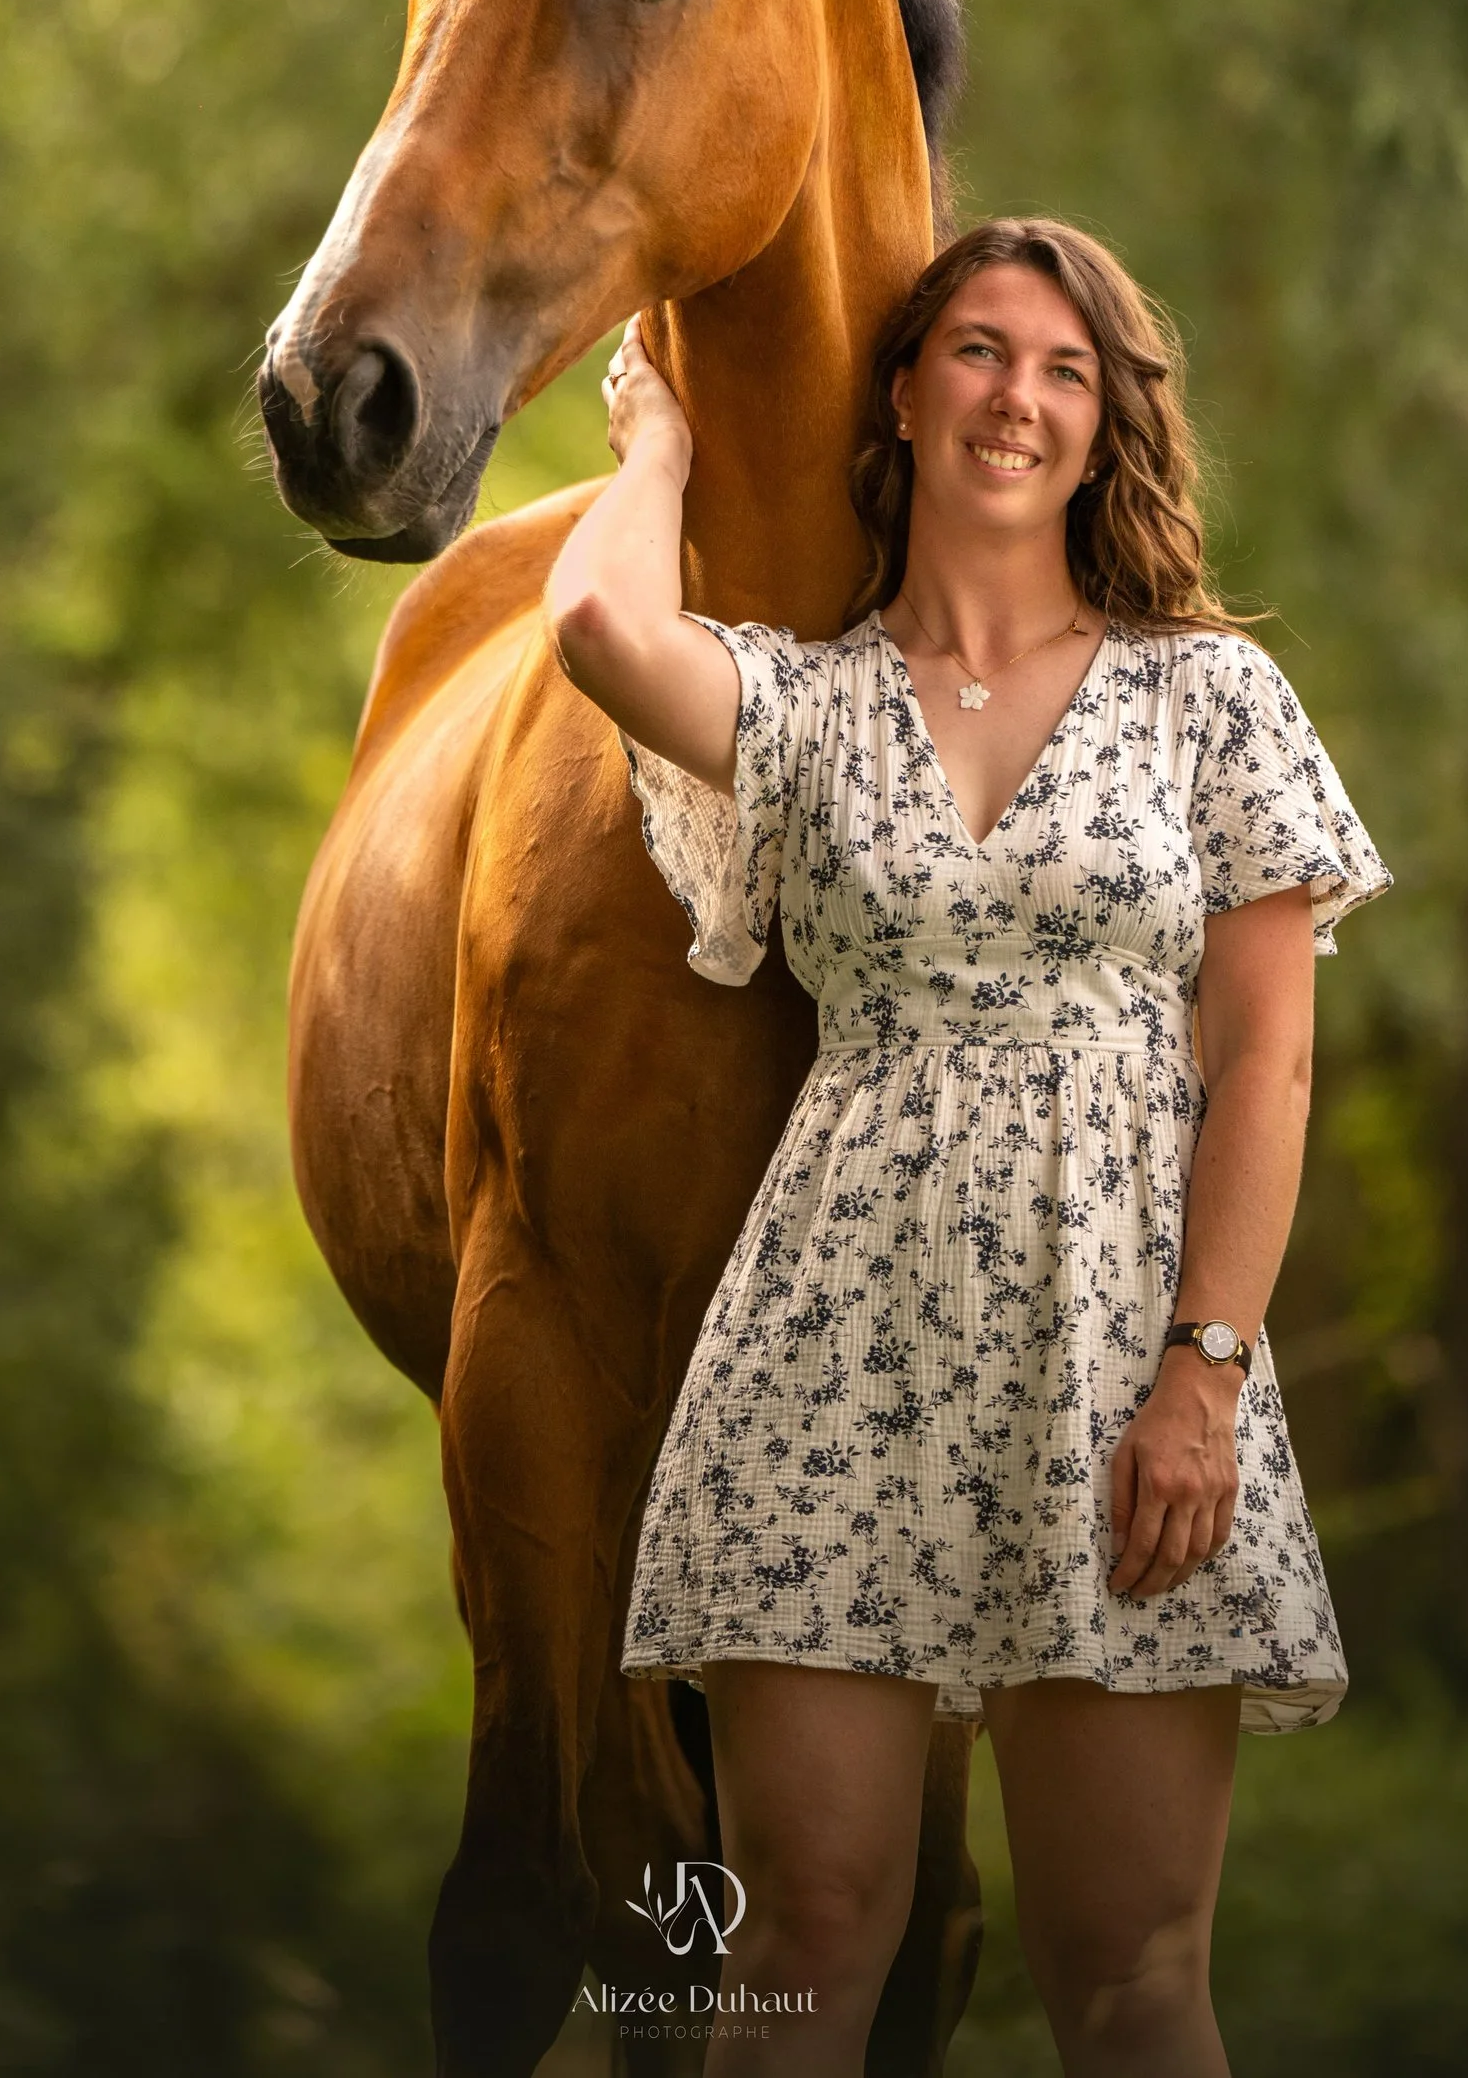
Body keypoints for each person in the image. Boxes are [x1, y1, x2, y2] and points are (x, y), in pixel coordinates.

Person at [544, 216, 1390, 2078]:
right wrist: (656, 453)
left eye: (1067, 365)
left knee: (1131, 1966)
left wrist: (1208, 1371)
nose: (1022, 393)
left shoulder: (1207, 698)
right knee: (803, 1940)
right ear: (910, 392)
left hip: (1119, 1369)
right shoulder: (806, 702)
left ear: (1106, 426)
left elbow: (1267, 1060)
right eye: (984, 350)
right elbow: (601, 623)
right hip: (829, 1364)